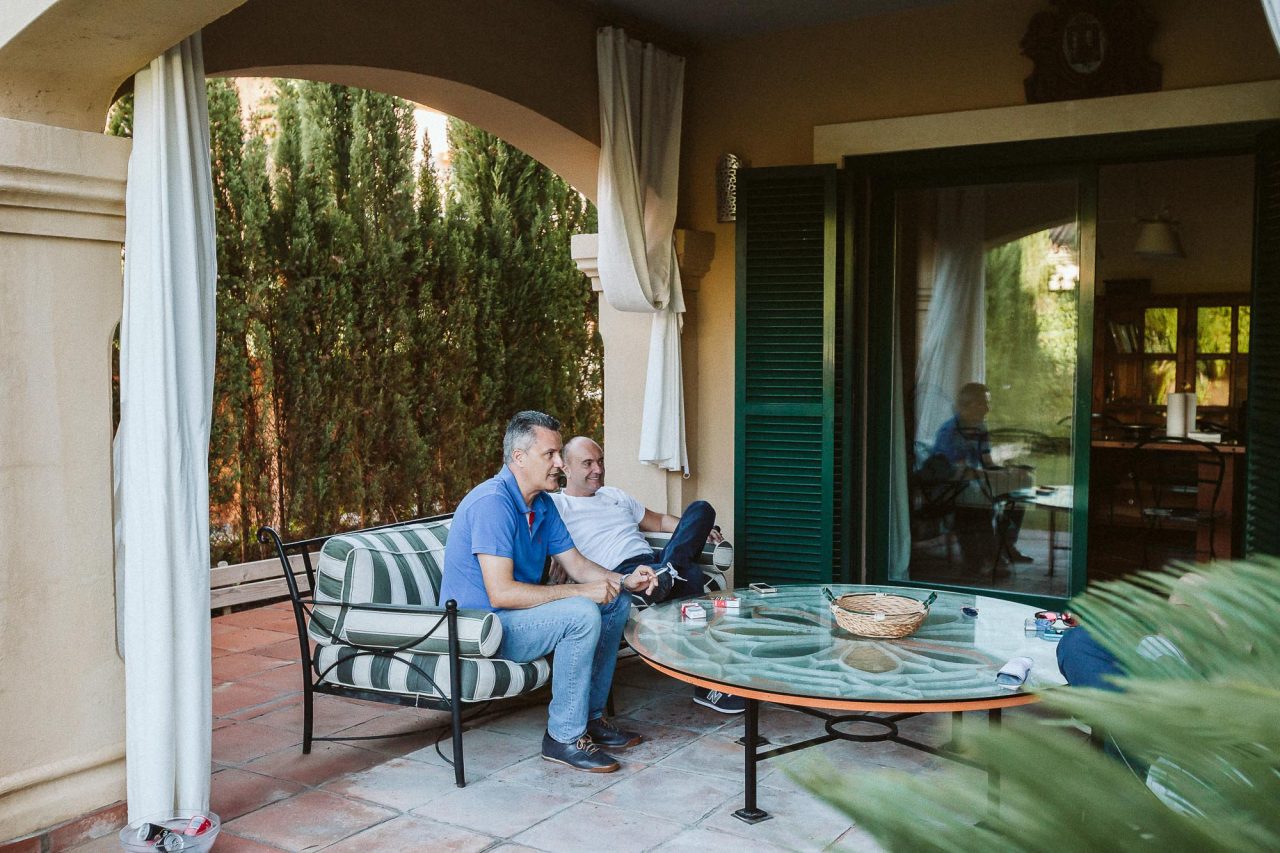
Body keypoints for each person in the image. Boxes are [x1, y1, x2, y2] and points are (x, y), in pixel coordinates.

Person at [439, 411, 659, 773]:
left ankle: (590, 719)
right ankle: (563, 738)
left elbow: (577, 564)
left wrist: (622, 581)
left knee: (615, 601)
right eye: (551, 455)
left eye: (559, 454)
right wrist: (581, 593)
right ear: (519, 458)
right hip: (481, 629)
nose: (560, 463)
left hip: (515, 618)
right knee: (581, 612)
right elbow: (501, 593)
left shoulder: (542, 503)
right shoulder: (492, 503)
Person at [549, 436, 746, 715]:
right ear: (566, 469)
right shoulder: (557, 507)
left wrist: (698, 530)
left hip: (656, 562)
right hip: (623, 575)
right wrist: (557, 560)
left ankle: (669, 571)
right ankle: (709, 686)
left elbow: (661, 521)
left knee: (702, 510)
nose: (598, 469)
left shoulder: (616, 495)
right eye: (588, 463)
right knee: (689, 574)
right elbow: (550, 545)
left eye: (601, 461)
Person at [931, 382, 1030, 576]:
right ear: (966, 406)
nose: (987, 409)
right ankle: (984, 557)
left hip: (974, 480)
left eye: (987, 403)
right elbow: (958, 473)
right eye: (982, 404)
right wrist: (994, 476)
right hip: (949, 487)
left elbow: (986, 461)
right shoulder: (949, 432)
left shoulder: (980, 427)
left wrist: (1008, 472)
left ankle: (1006, 545)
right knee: (976, 494)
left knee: (1023, 481)